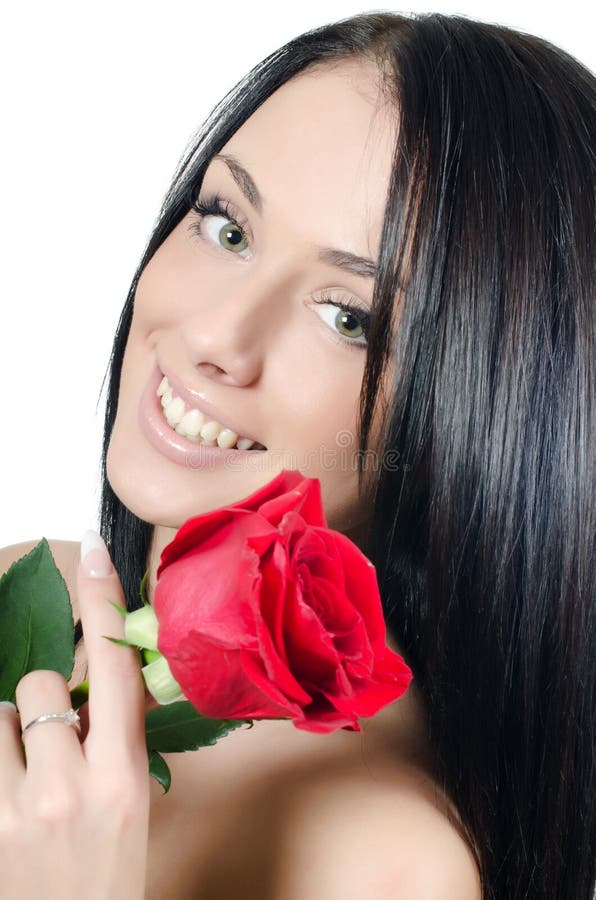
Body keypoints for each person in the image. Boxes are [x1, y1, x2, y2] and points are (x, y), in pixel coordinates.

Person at [0, 11, 593, 900]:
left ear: (470, 423)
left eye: (348, 317)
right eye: (227, 226)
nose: (212, 335)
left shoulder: (385, 865)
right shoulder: (29, 594)